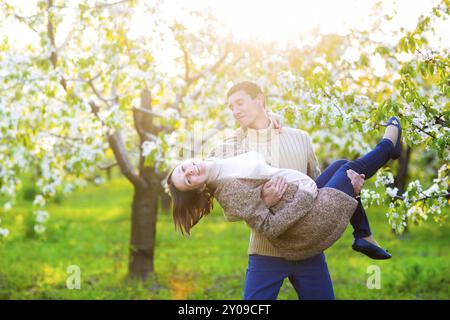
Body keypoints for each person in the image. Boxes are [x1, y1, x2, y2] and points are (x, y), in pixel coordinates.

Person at [168, 82, 394, 300]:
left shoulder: (299, 138)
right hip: (265, 252)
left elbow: (314, 182)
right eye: (231, 107)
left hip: (308, 246)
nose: (235, 111)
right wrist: (263, 200)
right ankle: (388, 149)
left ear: (260, 99)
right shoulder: (227, 150)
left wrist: (346, 191)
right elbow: (232, 210)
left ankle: (363, 233)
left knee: (343, 167)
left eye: (240, 104)